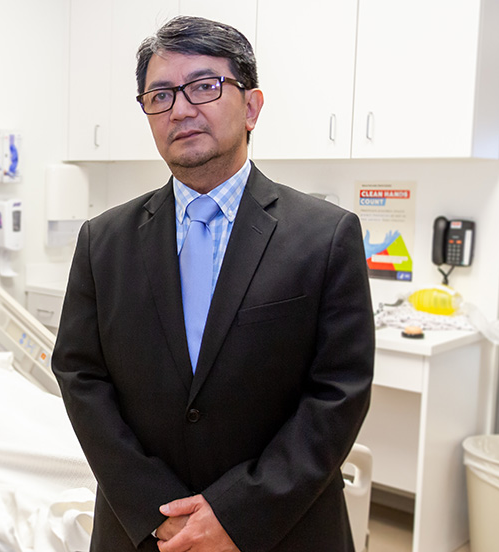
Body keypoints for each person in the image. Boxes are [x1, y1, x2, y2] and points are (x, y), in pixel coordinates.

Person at [51, 16, 374, 552]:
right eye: (160, 95)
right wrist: (159, 509)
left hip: (283, 527)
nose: (180, 108)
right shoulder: (103, 241)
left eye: (204, 86)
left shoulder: (325, 235)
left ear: (251, 107)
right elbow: (80, 376)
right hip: (144, 530)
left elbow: (338, 392)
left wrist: (237, 514)